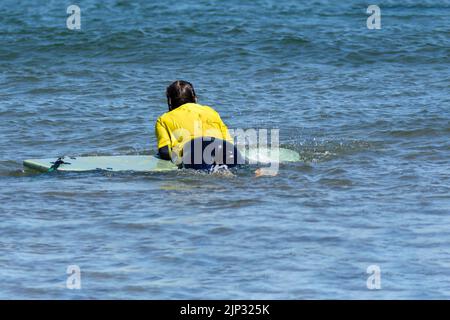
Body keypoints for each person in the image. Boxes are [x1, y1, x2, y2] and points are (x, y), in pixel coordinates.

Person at [155, 80, 243, 171]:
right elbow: (229, 141)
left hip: (195, 150)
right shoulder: (211, 111)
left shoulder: (163, 119)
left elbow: (164, 152)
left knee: (203, 180)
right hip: (226, 147)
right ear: (195, 98)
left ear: (170, 101)